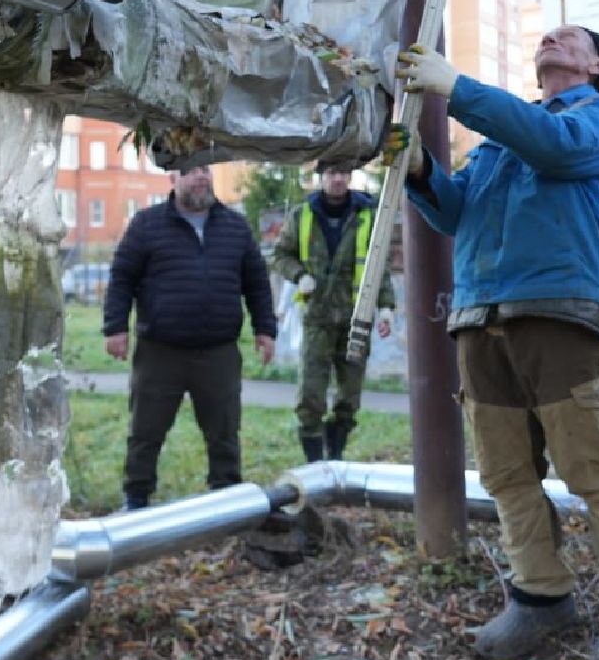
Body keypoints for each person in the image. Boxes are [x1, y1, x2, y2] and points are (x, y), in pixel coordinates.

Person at [390, 24, 599, 660]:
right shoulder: (501, 137)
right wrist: (417, 169)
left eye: (571, 35)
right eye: (550, 32)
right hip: (478, 317)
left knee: (593, 472)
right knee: (506, 475)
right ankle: (539, 597)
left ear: (596, 64)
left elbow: (554, 148)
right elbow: (456, 212)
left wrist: (454, 89)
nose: (552, 34)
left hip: (557, 317)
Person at [103, 165, 277, 512]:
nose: (201, 177)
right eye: (190, 171)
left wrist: (265, 329)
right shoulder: (147, 225)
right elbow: (122, 277)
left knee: (224, 431)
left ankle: (226, 497)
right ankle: (136, 498)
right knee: (146, 431)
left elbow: (256, 281)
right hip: (160, 352)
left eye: (205, 170)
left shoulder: (235, 226)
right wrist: (115, 327)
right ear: (173, 180)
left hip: (218, 351)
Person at [270, 161, 395, 462]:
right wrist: (300, 275)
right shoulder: (303, 215)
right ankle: (315, 462)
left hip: (357, 319)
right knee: (311, 394)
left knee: (349, 397)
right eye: (331, 173)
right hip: (317, 318)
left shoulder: (366, 215)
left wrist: (387, 307)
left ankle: (336, 454)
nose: (337, 179)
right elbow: (280, 256)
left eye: (342, 173)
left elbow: (380, 266)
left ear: (350, 176)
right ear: (320, 178)